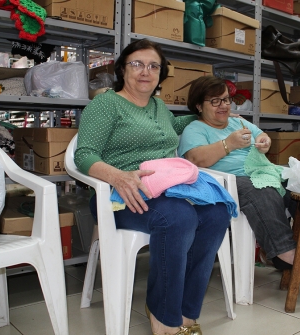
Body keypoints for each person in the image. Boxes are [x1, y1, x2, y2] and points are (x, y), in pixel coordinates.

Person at [74, 39, 231, 335]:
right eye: (137, 64)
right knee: (179, 218)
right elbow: (84, 155)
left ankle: (186, 312)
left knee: (217, 213)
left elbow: (173, 126)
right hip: (119, 193)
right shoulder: (105, 104)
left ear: (160, 73)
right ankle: (163, 314)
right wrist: (119, 176)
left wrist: (213, 116)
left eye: (153, 66)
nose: (145, 71)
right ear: (123, 69)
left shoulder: (158, 106)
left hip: (162, 189)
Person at [178, 76, 300, 271]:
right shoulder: (196, 129)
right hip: (223, 181)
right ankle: (283, 251)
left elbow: (260, 134)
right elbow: (195, 159)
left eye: (225, 99)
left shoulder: (237, 122)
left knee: (296, 184)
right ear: (199, 106)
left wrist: (265, 141)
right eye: (215, 101)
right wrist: (228, 144)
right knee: (263, 190)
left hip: (258, 172)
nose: (223, 105)